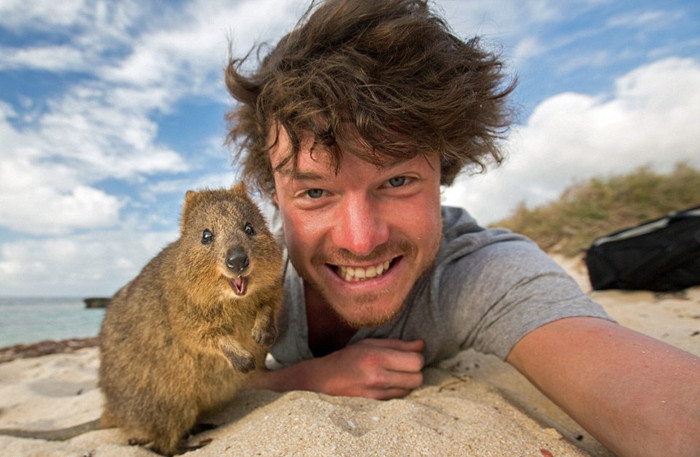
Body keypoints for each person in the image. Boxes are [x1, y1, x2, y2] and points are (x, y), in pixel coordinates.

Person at [224, 1, 700, 456]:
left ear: (444, 169)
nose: (360, 240)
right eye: (314, 193)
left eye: (397, 180)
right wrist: (302, 378)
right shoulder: (239, 277)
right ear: (274, 196)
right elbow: (156, 373)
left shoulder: (478, 272)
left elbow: (660, 403)